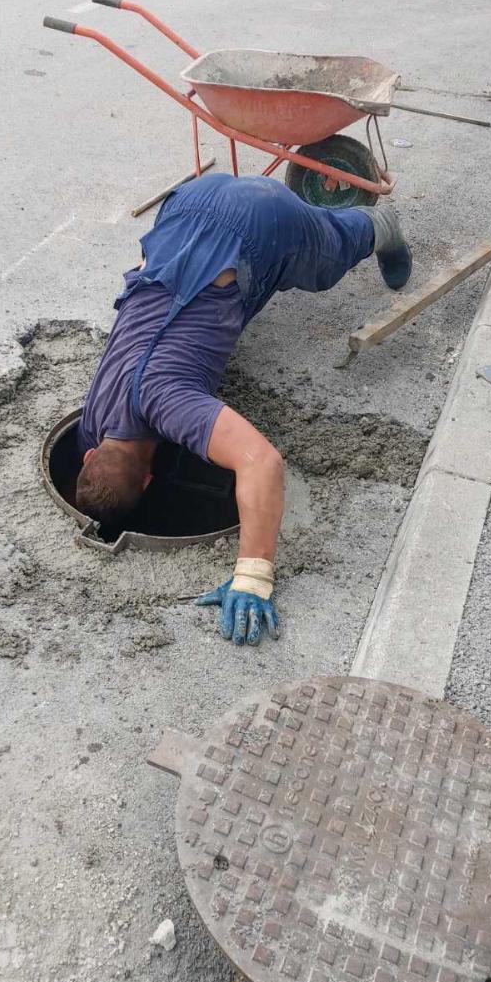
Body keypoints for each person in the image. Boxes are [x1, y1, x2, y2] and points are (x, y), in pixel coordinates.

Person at [74, 173, 412, 646]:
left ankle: (381, 224)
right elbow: (108, 458)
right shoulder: (94, 417)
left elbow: (263, 462)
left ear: (151, 480)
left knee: (326, 258)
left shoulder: (167, 402)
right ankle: (317, 214)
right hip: (184, 205)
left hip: (256, 220)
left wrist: (253, 575)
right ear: (89, 456)